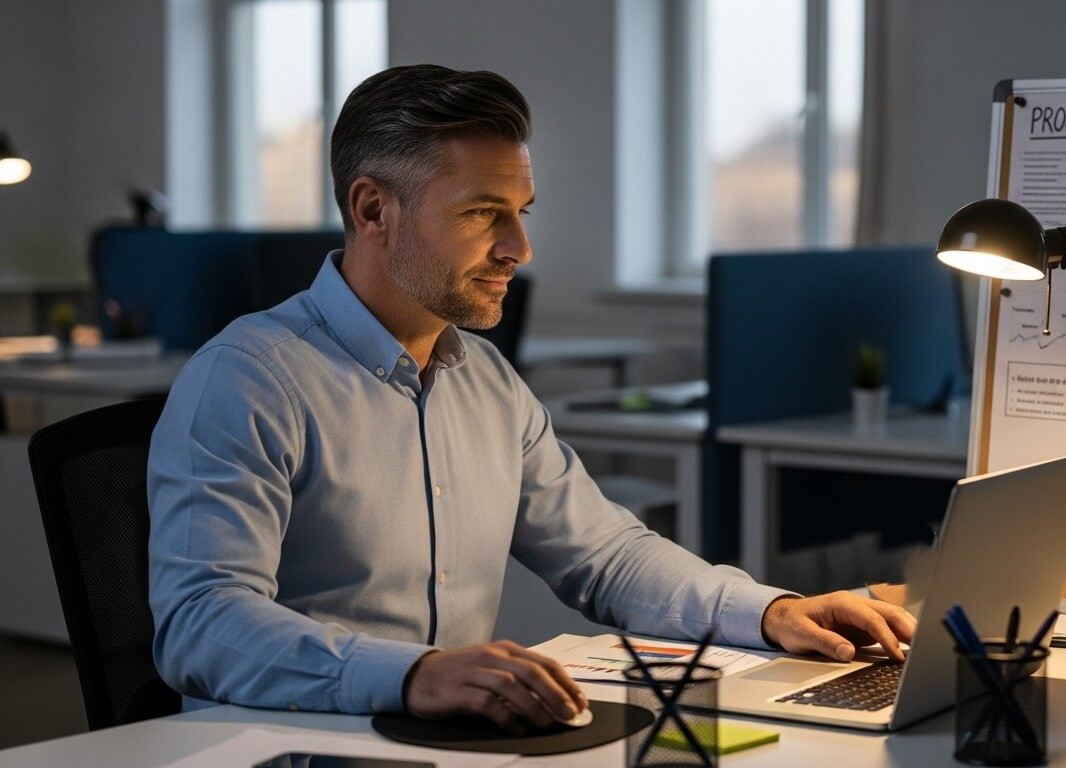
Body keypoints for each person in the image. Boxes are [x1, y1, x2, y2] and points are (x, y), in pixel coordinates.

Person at [148, 65, 915, 729]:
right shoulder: (250, 377)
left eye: (521, 213)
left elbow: (607, 557)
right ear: (373, 209)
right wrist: (413, 675)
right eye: (484, 212)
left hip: (447, 741)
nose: (520, 249)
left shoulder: (482, 377)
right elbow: (201, 623)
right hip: (291, 746)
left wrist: (772, 612)